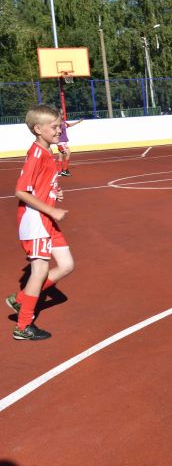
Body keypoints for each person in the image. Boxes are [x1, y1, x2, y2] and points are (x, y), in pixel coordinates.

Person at [6, 105, 75, 340]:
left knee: (66, 265)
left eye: (59, 126)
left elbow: (40, 186)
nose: (59, 130)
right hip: (36, 220)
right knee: (40, 269)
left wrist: (54, 194)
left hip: (46, 218)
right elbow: (21, 191)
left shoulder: (47, 152)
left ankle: (21, 300)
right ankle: (23, 326)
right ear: (38, 129)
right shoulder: (36, 154)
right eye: (54, 127)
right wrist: (51, 210)